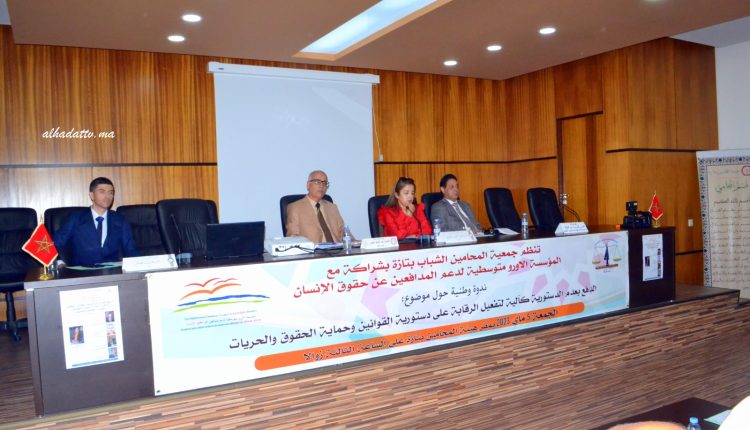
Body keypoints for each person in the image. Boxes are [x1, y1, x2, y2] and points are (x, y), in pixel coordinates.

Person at [54, 177, 139, 267]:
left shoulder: (120, 220)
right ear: (92, 195)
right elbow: (56, 243)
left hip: (111, 272)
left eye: (110, 192)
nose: (107, 196)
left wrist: (140, 266)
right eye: (102, 192)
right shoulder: (76, 218)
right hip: (81, 272)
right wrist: (59, 262)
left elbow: (131, 249)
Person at [286, 170, 346, 243]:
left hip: (337, 248)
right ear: (308, 185)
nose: (321, 186)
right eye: (317, 182)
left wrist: (354, 242)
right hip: (312, 249)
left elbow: (344, 232)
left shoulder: (332, 207)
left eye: (324, 183)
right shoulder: (295, 208)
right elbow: (293, 237)